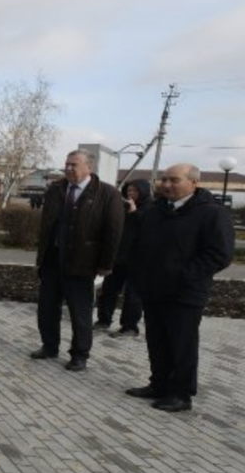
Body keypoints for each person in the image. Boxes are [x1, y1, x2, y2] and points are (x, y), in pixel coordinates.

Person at [126, 163, 234, 412]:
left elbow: (219, 254)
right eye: (164, 179)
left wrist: (184, 276)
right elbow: (141, 244)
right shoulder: (156, 210)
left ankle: (181, 394)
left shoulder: (211, 213)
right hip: (153, 289)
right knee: (157, 341)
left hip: (185, 293)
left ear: (194, 183)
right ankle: (159, 384)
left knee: (181, 344)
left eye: (174, 180)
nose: (166, 185)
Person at [30, 150, 124, 371]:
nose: (69, 168)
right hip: (53, 260)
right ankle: (49, 346)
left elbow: (113, 232)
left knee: (79, 312)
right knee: (47, 308)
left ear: (88, 167)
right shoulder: (56, 189)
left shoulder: (107, 194)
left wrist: (105, 264)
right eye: (67, 164)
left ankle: (80, 354)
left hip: (83, 262)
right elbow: (46, 226)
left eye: (74, 164)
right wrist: (41, 257)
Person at [94, 179, 153, 337]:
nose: (130, 193)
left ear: (143, 191)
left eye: (134, 191)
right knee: (108, 290)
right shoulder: (122, 206)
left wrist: (134, 213)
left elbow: (148, 231)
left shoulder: (151, 208)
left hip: (139, 260)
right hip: (119, 257)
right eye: (129, 190)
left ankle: (129, 327)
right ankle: (103, 320)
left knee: (133, 296)